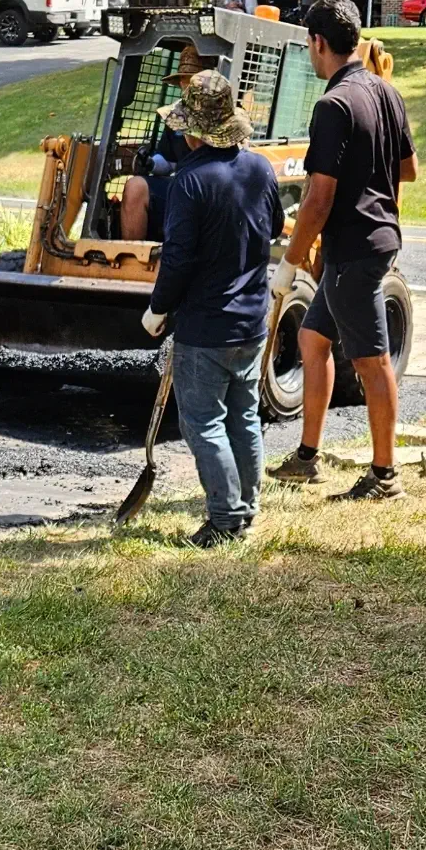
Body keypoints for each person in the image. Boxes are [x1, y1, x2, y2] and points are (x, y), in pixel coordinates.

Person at [267, 0, 418, 501]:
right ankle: (307, 458)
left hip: (354, 250)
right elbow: (409, 170)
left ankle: (385, 477)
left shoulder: (332, 105)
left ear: (317, 42)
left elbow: (318, 199)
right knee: (313, 340)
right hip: (371, 241)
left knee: (372, 363)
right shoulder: (385, 92)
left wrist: (289, 264)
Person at [139, 70, 285, 546]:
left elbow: (178, 258)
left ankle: (225, 519)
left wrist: (158, 309)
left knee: (203, 422)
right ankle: (247, 509)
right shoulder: (260, 168)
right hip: (252, 321)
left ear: (192, 131)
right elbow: (275, 227)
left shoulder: (189, 181)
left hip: (206, 326)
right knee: (244, 416)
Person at [120, 45, 211, 241]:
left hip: (210, 189)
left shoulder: (221, 117)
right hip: (180, 186)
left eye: (190, 81)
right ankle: (132, 255)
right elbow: (169, 161)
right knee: (135, 186)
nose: (185, 86)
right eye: (183, 81)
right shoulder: (176, 117)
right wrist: (151, 163)